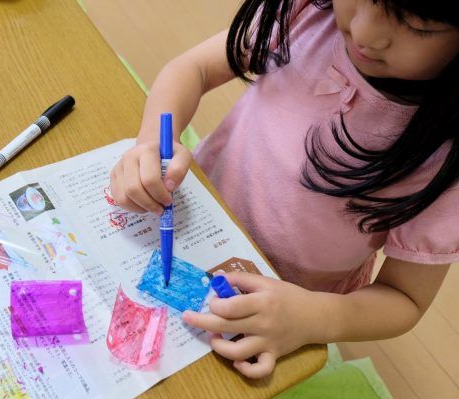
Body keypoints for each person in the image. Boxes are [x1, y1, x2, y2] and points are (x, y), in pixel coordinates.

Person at [110, 0, 459, 378]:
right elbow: (193, 67)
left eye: (417, 25)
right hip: (196, 221)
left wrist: (312, 318)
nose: (364, 33)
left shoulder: (447, 158)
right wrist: (152, 143)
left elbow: (405, 298)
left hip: (287, 299)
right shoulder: (308, 10)